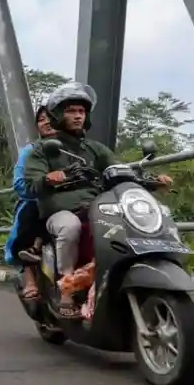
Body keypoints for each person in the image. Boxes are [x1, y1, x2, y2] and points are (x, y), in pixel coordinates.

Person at [23, 81, 172, 317]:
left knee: (125, 224)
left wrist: (150, 181)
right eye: (71, 111)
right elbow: (31, 185)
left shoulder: (95, 149)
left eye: (81, 111)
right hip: (59, 212)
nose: (77, 116)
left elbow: (119, 169)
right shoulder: (43, 150)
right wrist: (49, 179)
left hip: (94, 207)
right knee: (70, 227)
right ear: (58, 115)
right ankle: (67, 289)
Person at [4, 104, 56, 300]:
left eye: (50, 117)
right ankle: (27, 272)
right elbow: (19, 183)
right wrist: (44, 183)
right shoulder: (32, 151)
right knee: (33, 211)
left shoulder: (79, 147)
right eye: (41, 119)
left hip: (75, 201)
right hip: (39, 201)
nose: (46, 123)